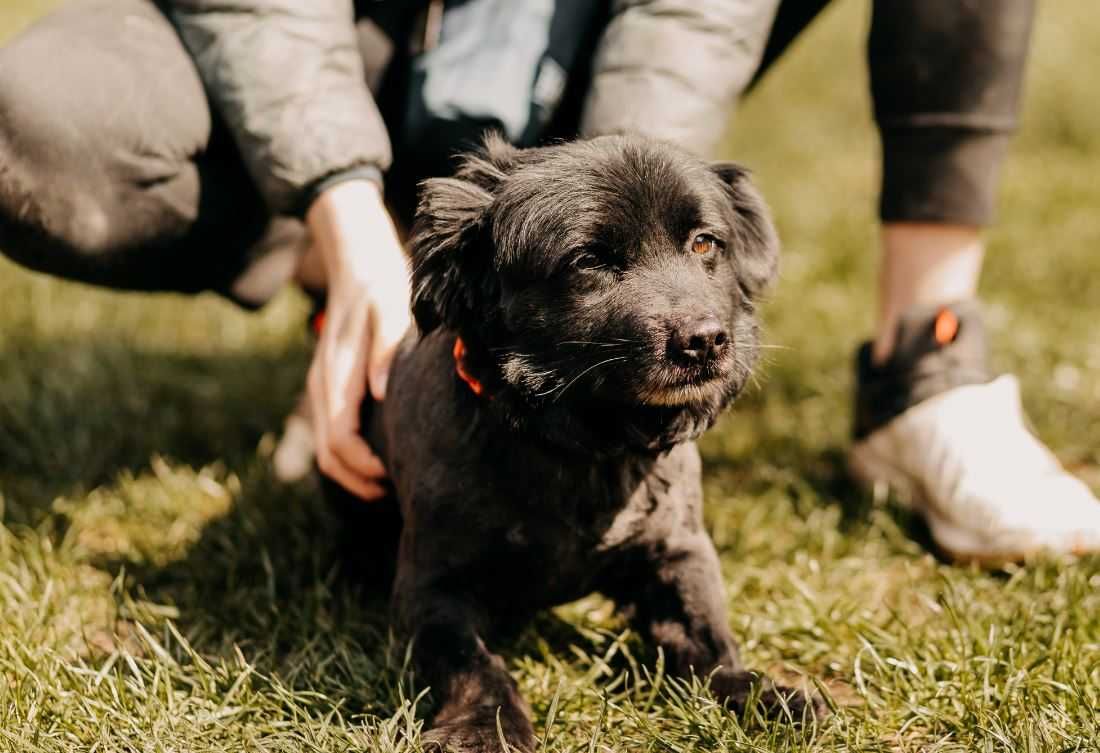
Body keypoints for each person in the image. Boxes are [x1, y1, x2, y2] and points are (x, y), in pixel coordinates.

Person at [0, 0, 1096, 563]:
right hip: (343, 35)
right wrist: (337, 191)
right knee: (32, 120)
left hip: (600, 35)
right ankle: (366, 287)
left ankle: (928, 362)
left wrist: (627, 219)